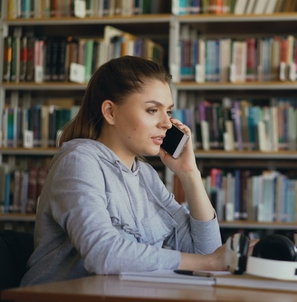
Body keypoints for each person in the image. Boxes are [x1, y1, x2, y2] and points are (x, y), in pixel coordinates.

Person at [21, 56, 226, 286]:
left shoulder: (146, 176)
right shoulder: (79, 161)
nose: (167, 123)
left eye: (167, 111)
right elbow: (103, 254)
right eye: (152, 110)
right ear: (110, 112)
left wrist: (189, 174)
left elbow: (207, 251)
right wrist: (208, 263)